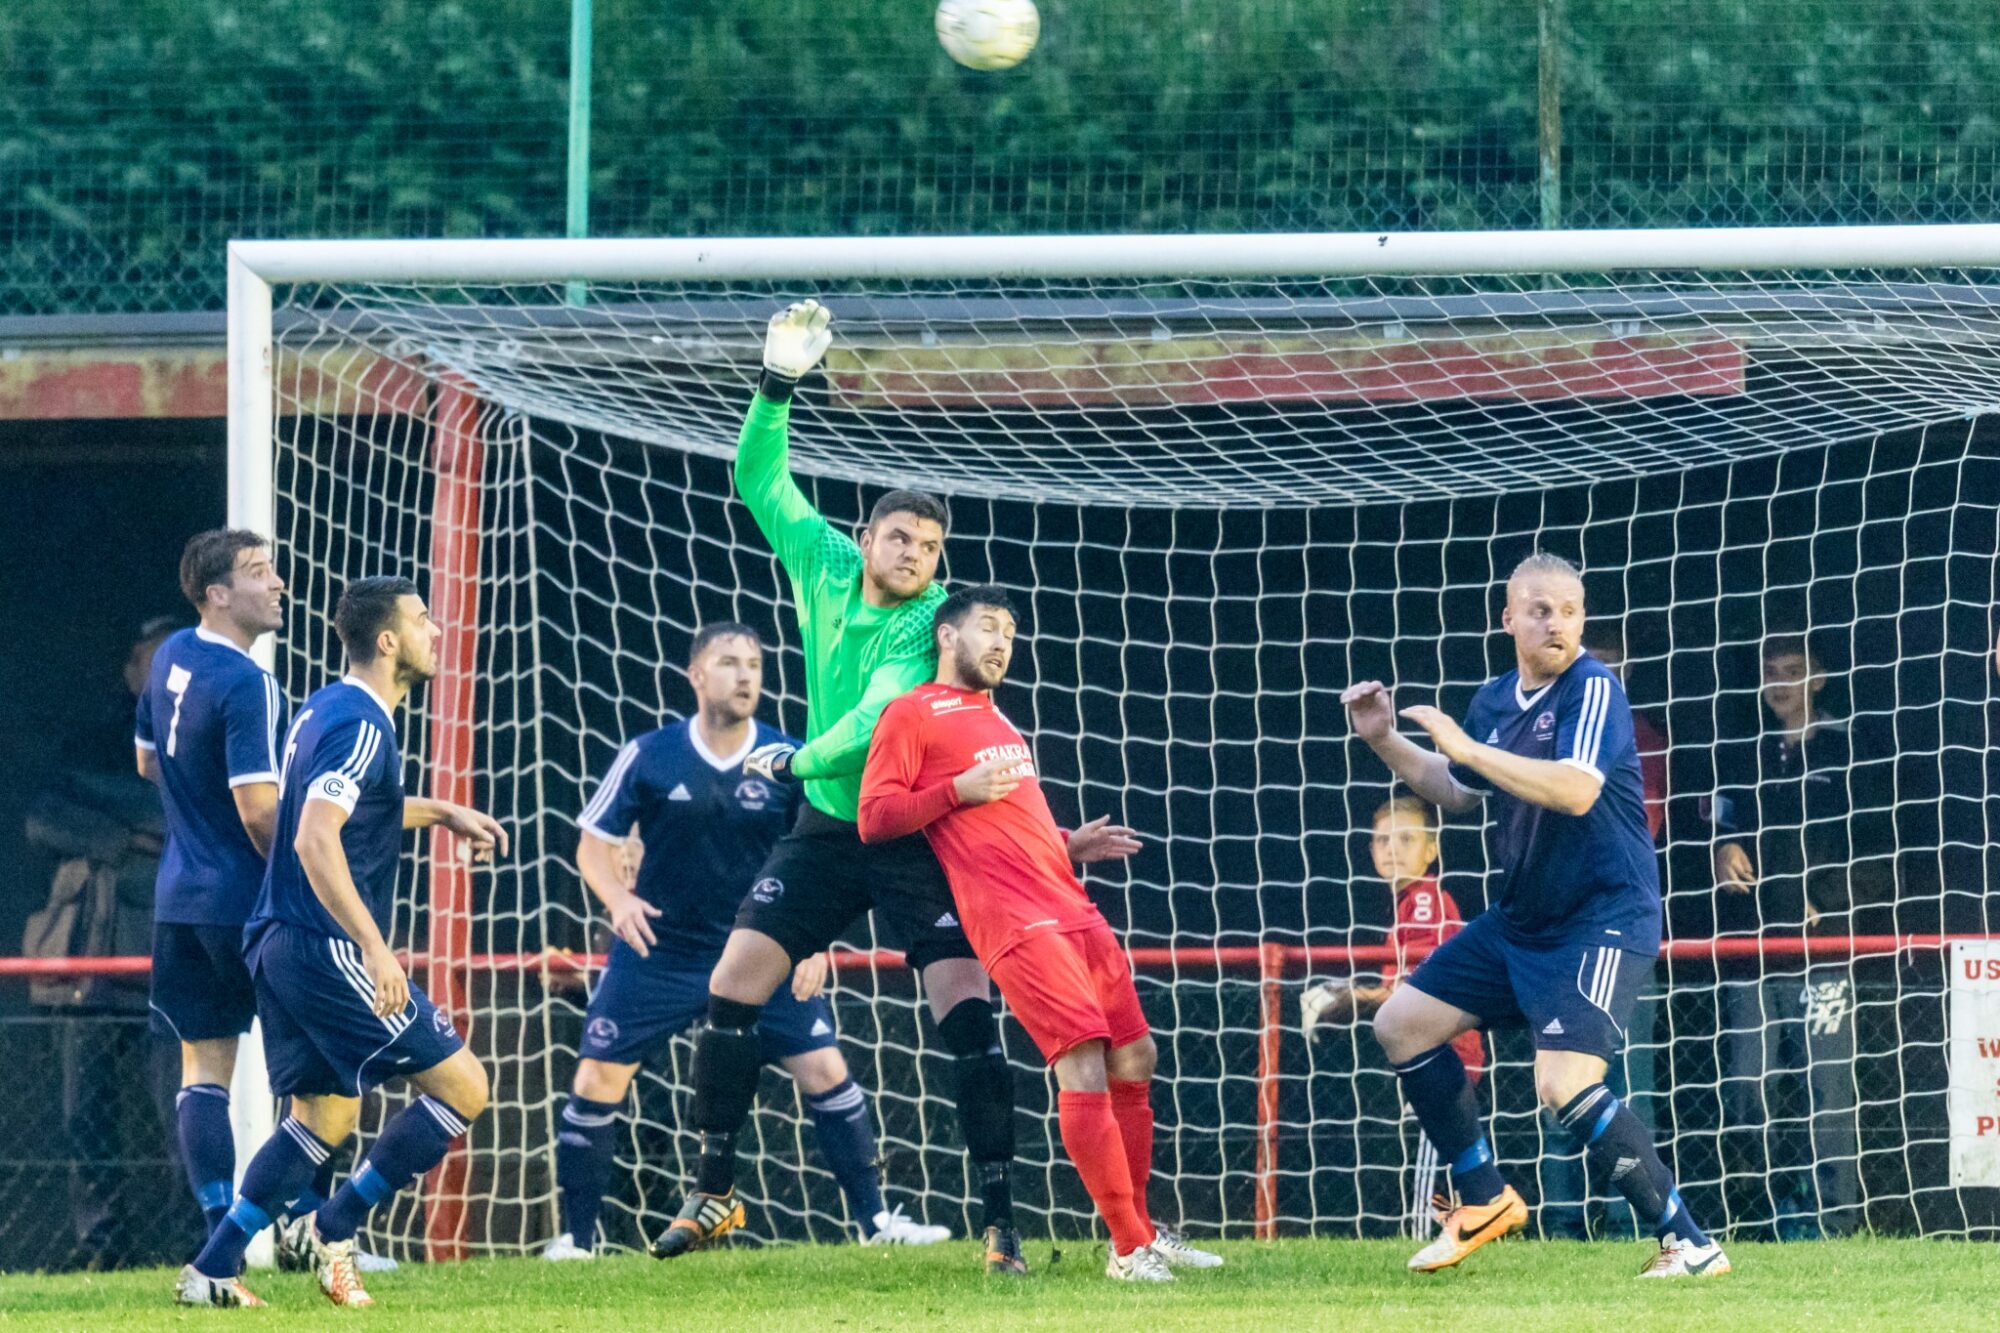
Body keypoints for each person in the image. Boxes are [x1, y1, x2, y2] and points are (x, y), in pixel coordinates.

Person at [653, 302, 1028, 1273]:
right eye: (900, 537)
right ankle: (715, 1194)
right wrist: (776, 385)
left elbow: (877, 715)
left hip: (907, 829)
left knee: (965, 1013)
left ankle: (1000, 1221)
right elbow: (757, 479)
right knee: (730, 990)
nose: (914, 555)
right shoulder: (820, 564)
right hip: (826, 826)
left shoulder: (931, 625)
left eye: (929, 546)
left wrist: (798, 757)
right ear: (865, 538)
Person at [1341, 552, 1727, 1278]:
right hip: (1521, 919)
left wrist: (1467, 746)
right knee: (1400, 1023)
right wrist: (1385, 739)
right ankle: (1484, 1196)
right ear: (1508, 617)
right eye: (1541, 609)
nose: (1557, 624)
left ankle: (1692, 1243)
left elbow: (1576, 791)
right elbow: (1457, 791)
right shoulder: (1493, 699)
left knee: (1563, 1084)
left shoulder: (1594, 688)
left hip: (1600, 917)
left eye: (1571, 611)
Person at [543, 624, 949, 1257]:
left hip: (760, 952)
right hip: (661, 952)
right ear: (696, 676)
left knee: (825, 1069)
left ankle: (875, 1224)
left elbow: (824, 860)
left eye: (754, 664)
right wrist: (617, 898)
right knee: (596, 1078)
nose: (745, 675)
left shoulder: (791, 758)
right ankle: (576, 1241)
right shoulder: (649, 754)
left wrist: (813, 943)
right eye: (728, 663)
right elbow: (594, 841)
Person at [857, 585, 1220, 1282]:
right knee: (1080, 1057)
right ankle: (1125, 1247)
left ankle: (1142, 1228)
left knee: (1135, 1054)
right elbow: (875, 816)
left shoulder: (993, 714)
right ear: (947, 638)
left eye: (1010, 633)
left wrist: (1065, 841)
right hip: (1011, 917)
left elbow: (1003, 823)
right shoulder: (911, 712)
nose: (1001, 642)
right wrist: (956, 791)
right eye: (987, 628)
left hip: (1067, 897)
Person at [174, 577, 507, 1309]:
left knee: (325, 1114)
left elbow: (354, 810)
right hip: (325, 946)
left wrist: (444, 811)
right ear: (387, 640)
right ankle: (336, 1225)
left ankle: (212, 1267)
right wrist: (376, 947)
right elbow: (313, 835)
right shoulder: (362, 723)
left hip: (278, 939)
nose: (436, 631)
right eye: (422, 619)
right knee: (464, 1087)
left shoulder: (324, 707)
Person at [1706, 633, 1889, 1238]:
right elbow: (1715, 818)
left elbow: (1882, 845)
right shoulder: (1744, 750)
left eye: (1793, 671)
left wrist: (1831, 896)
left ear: (1819, 679)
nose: (1780, 683)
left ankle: (1834, 1218)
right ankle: (1756, 1219)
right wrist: (1722, 847)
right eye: (1770, 672)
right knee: (1746, 1087)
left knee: (1827, 1088)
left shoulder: (1850, 747)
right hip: (1752, 950)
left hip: (1825, 949)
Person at [134, 531, 287, 1246]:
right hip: (247, 904)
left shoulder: (169, 655)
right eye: (259, 573)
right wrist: (306, 868)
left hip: (179, 900)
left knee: (203, 1066)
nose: (277, 583)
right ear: (217, 593)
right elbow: (260, 809)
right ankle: (306, 1226)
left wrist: (195, 806)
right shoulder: (248, 681)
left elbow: (145, 761)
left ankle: (217, 1228)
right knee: (311, 1062)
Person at [1299, 796, 1484, 1237]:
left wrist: (1342, 996)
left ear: (1431, 850)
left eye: (1406, 838)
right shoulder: (1408, 903)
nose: (1392, 848)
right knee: (1450, 1152)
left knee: (1430, 1153)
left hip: (1443, 1051)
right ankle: (1462, 1226)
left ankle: (1425, 1236)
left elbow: (1412, 990)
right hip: (1436, 1048)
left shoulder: (1424, 900)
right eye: (1382, 839)